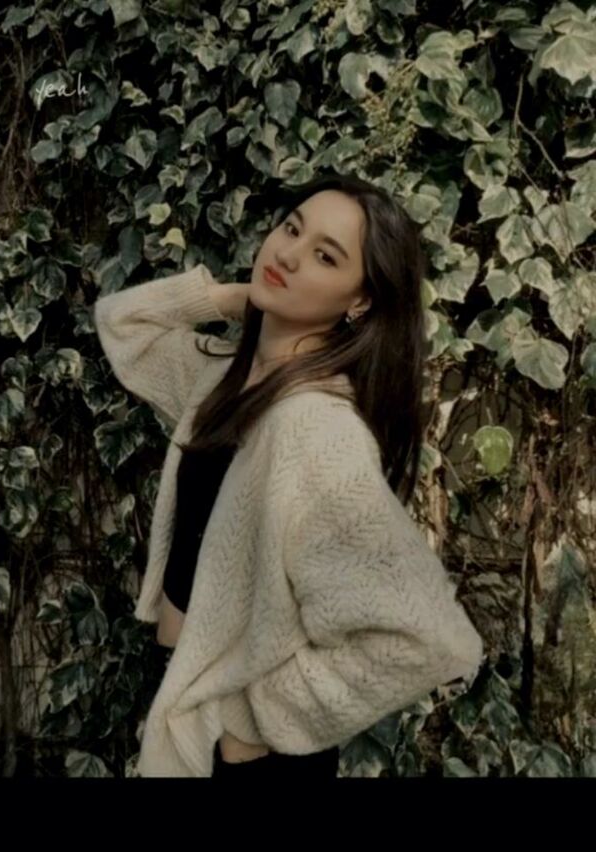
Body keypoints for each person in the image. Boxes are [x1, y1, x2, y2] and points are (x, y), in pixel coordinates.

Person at [92, 170, 485, 778]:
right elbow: (122, 324)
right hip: (191, 705)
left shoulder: (316, 429)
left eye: (326, 256)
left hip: (251, 757)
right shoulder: (224, 375)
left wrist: (260, 716)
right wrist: (231, 298)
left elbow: (427, 640)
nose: (289, 255)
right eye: (291, 229)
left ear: (360, 301)